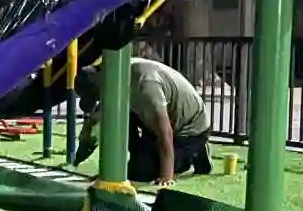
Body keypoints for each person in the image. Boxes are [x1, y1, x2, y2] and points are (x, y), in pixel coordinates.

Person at [75, 53, 214, 185]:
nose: (98, 100)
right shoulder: (114, 73)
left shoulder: (145, 85)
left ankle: (195, 152)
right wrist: (81, 156)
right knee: (117, 119)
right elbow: (95, 123)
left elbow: (165, 132)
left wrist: (166, 176)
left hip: (189, 129)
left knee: (143, 172)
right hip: (156, 121)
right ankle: (141, 158)